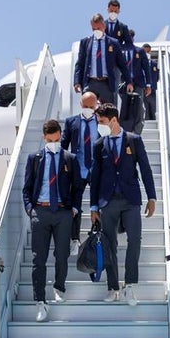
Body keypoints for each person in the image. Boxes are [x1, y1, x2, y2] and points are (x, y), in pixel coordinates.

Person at [89, 102, 155, 306]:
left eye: (101, 121)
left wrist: (152, 197)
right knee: (110, 245)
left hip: (130, 200)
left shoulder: (134, 140)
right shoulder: (100, 145)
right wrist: (93, 207)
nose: (99, 125)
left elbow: (145, 169)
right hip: (108, 202)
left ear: (114, 120)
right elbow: (96, 176)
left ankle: (130, 287)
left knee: (135, 241)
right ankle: (113, 287)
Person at [22, 119, 81, 322]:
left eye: (57, 139)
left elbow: (77, 187)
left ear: (61, 135)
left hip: (63, 213)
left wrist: (74, 208)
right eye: (50, 139)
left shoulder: (70, 158)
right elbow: (27, 188)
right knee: (39, 260)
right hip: (41, 211)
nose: (54, 142)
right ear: (44, 138)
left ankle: (59, 287)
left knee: (62, 255)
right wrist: (30, 209)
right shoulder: (34, 158)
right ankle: (40, 301)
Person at [61, 91, 101, 252]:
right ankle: (75, 238)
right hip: (77, 169)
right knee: (74, 204)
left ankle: (99, 235)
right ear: (80, 104)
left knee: (98, 202)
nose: (88, 109)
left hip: (96, 168)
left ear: (96, 105)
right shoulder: (71, 122)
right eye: (85, 106)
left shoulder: (101, 122)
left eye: (91, 107)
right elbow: (64, 144)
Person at [74, 14, 130, 107]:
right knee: (88, 112)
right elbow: (80, 64)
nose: (96, 31)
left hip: (107, 84)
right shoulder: (85, 42)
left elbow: (122, 64)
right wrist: (77, 82)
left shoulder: (113, 43)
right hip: (90, 83)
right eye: (93, 29)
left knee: (109, 113)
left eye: (98, 28)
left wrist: (129, 82)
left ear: (104, 26)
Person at [141, 43, 160, 121]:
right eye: (145, 52)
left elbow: (157, 77)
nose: (147, 53)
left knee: (153, 110)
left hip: (152, 91)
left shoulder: (154, 64)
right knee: (145, 111)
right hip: (142, 90)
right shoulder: (139, 64)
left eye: (148, 52)